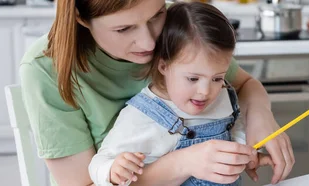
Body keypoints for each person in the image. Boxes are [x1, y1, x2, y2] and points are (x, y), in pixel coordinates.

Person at [18, 0, 295, 185]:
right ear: (81, 17)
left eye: (156, 15)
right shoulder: (45, 70)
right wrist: (184, 163)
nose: (150, 42)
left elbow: (244, 85)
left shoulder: (178, 26)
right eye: (124, 28)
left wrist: (258, 118)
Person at [88, 2, 252, 185]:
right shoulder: (142, 116)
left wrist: (247, 153)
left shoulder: (223, 95)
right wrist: (113, 170)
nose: (206, 92)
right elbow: (98, 163)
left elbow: (235, 129)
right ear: (164, 66)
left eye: (217, 78)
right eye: (193, 79)